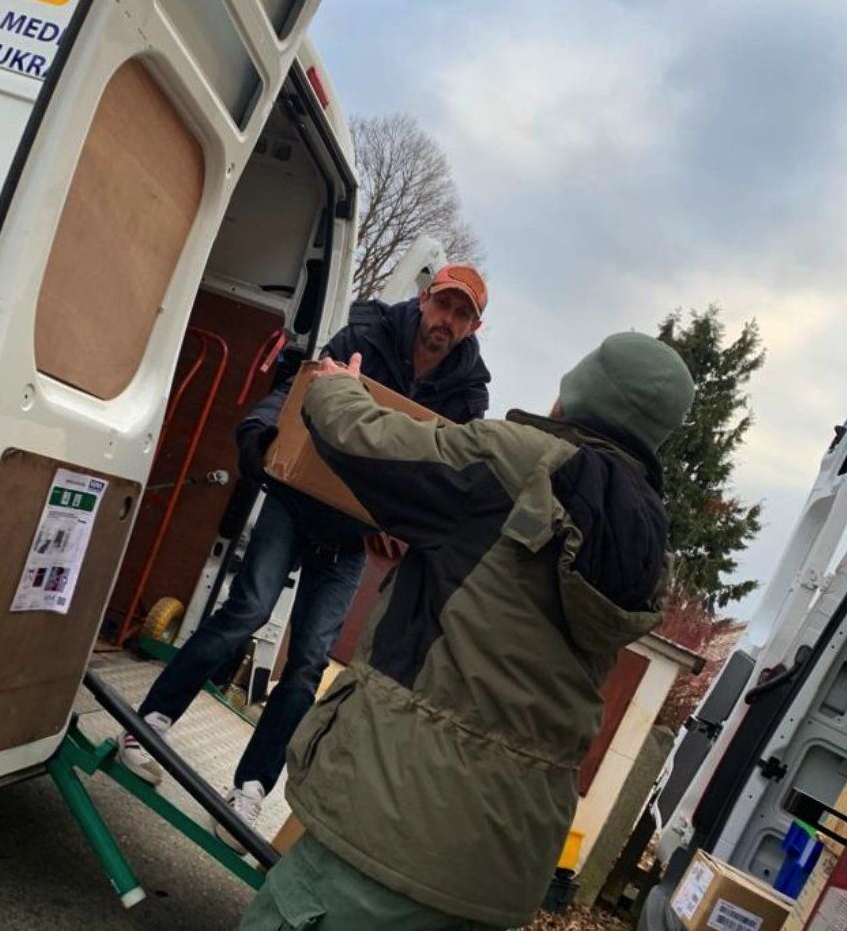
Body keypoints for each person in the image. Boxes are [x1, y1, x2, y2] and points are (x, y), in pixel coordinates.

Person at [240, 332, 695, 930]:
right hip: (503, 870)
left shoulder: (523, 465)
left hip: (396, 828)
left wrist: (335, 391)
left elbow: (372, 446)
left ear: (581, 389)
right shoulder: (645, 538)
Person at [117, 264, 492, 849]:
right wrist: (262, 440)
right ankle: (148, 725)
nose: (447, 320)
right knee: (247, 609)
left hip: (349, 539)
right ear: (423, 300)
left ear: (473, 327)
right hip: (296, 503)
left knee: (310, 663)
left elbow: (447, 484)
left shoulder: (467, 401)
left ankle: (250, 790)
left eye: (462, 314)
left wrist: (403, 526)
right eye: (443, 304)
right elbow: (297, 394)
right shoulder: (365, 337)